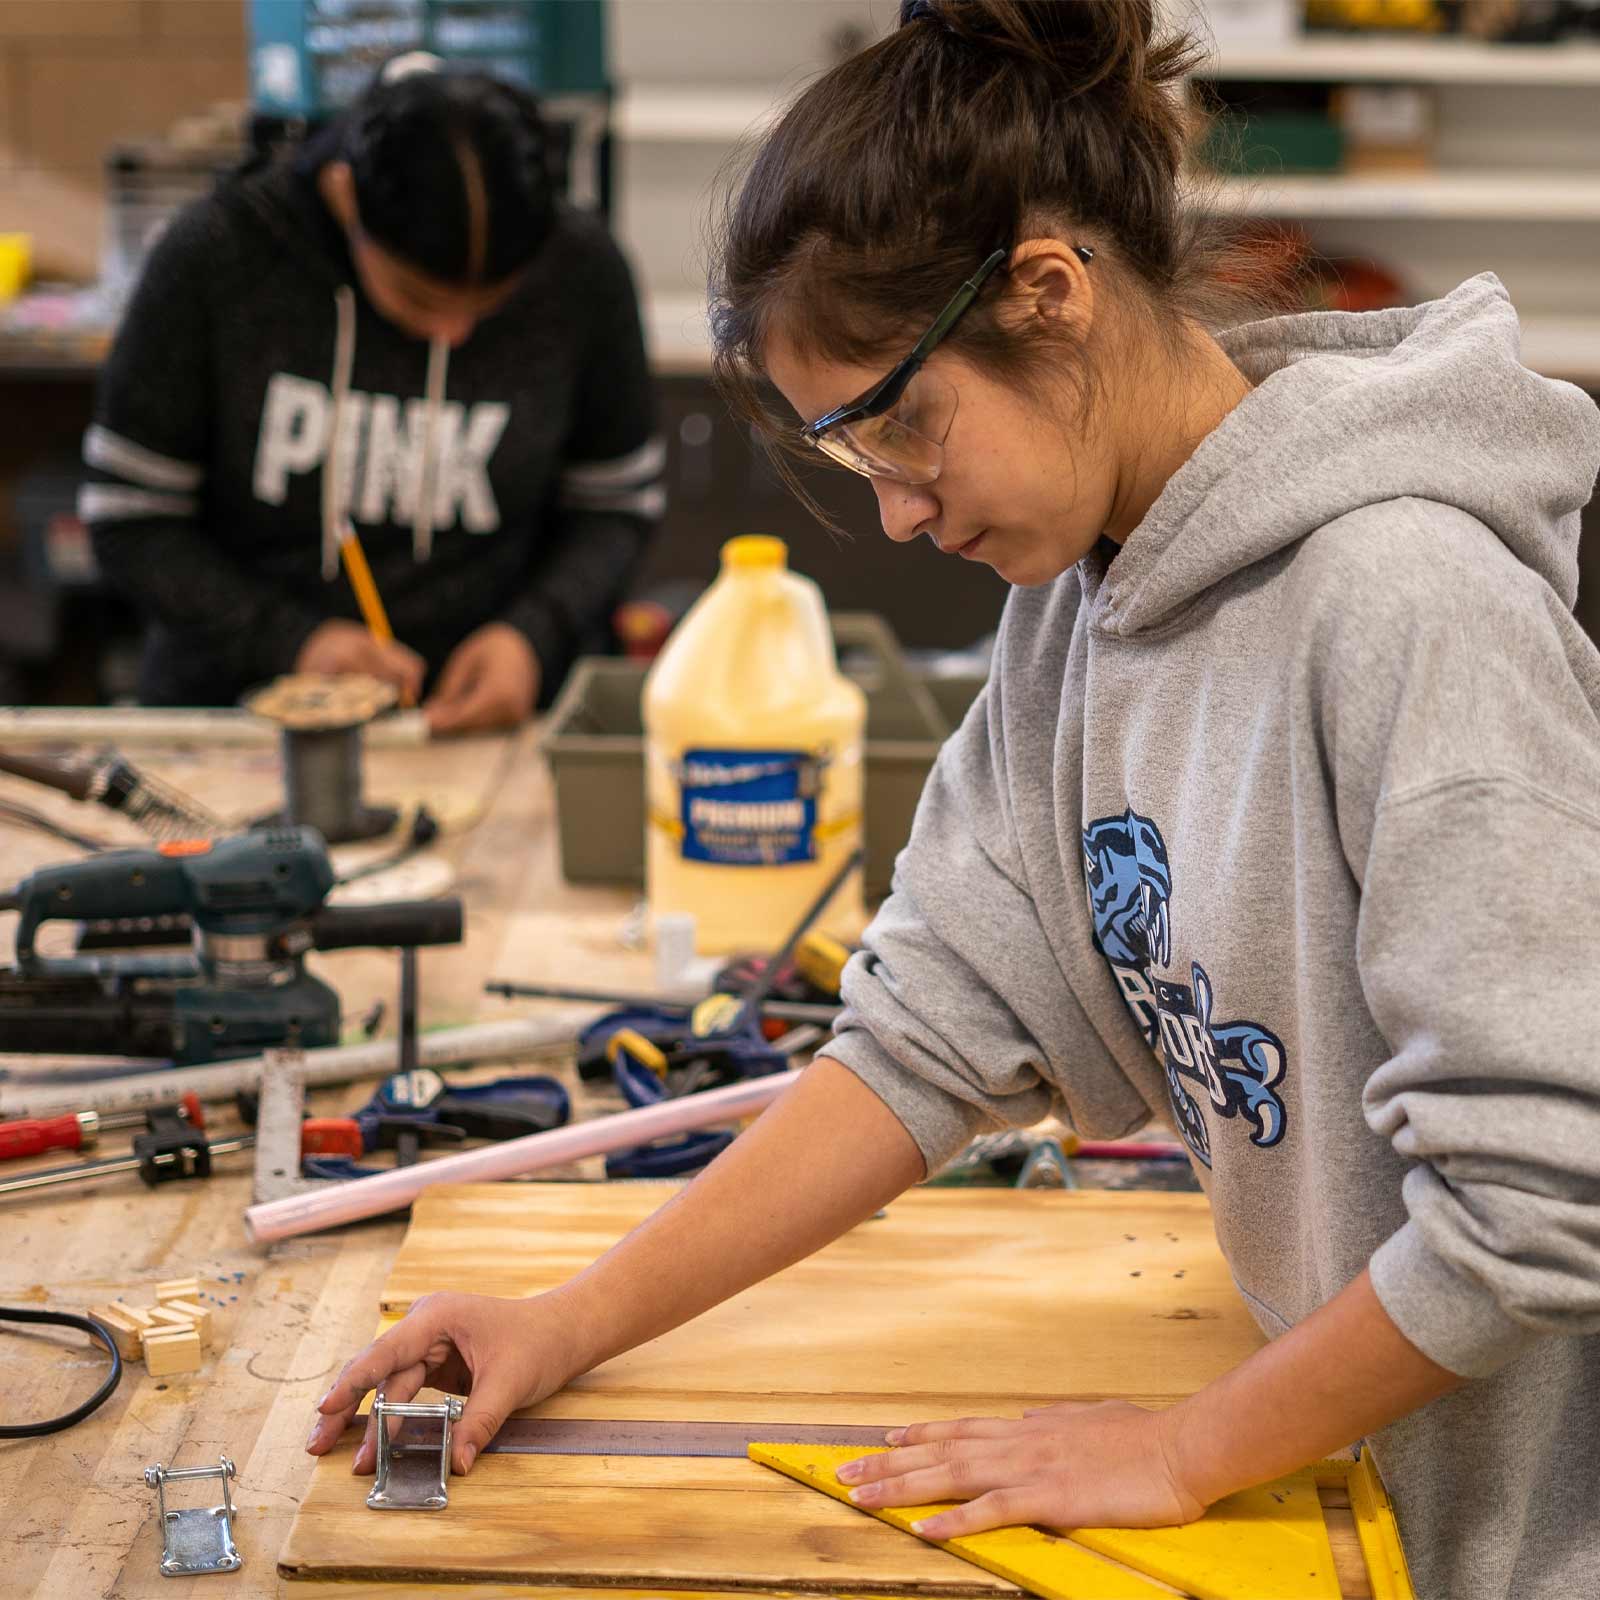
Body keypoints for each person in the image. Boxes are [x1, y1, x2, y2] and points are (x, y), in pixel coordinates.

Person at [306, 5, 1600, 1594]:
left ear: (1049, 295)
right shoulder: (1087, 596)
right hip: (1332, 1489)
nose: (901, 510)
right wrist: (564, 1321)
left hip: (1504, 1542)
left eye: (904, 429)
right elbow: (928, 1027)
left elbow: (1543, 1193)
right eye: (856, 461)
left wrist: (1184, 1450)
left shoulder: (1408, 602)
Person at [83, 54, 663, 734]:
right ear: (346, 193)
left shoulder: (581, 270)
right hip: (238, 723)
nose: (453, 333)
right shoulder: (217, 255)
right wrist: (293, 642)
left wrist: (531, 636)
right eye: (419, 299)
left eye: (491, 305)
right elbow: (131, 517)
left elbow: (616, 507)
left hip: (486, 725)